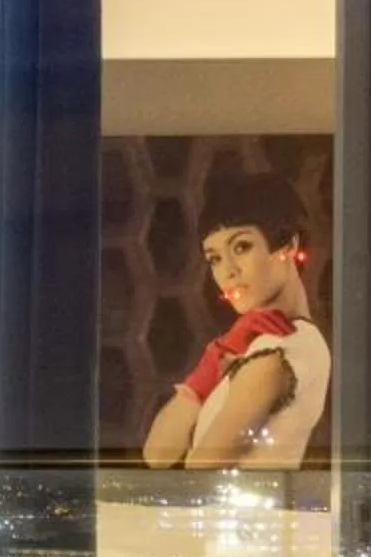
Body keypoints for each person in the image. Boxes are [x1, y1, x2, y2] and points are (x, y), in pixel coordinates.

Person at [139, 166, 331, 469]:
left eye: (241, 247)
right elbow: (157, 455)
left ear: (289, 245)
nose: (227, 271)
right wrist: (217, 355)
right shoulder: (257, 346)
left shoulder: (281, 353)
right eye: (214, 258)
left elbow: (201, 470)